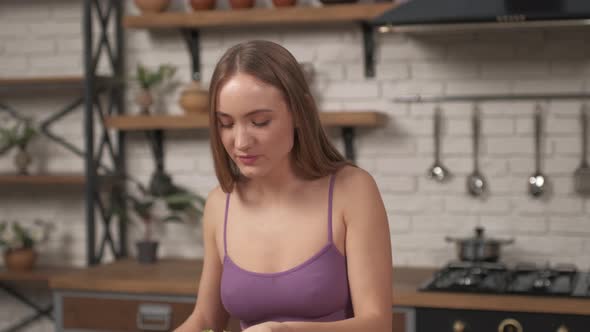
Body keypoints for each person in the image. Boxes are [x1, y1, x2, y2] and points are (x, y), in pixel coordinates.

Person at [175, 40, 392, 332]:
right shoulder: (220, 204)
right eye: (226, 124)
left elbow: (377, 324)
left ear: (300, 112)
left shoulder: (352, 191)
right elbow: (205, 320)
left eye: (260, 122)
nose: (240, 142)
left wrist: (284, 331)